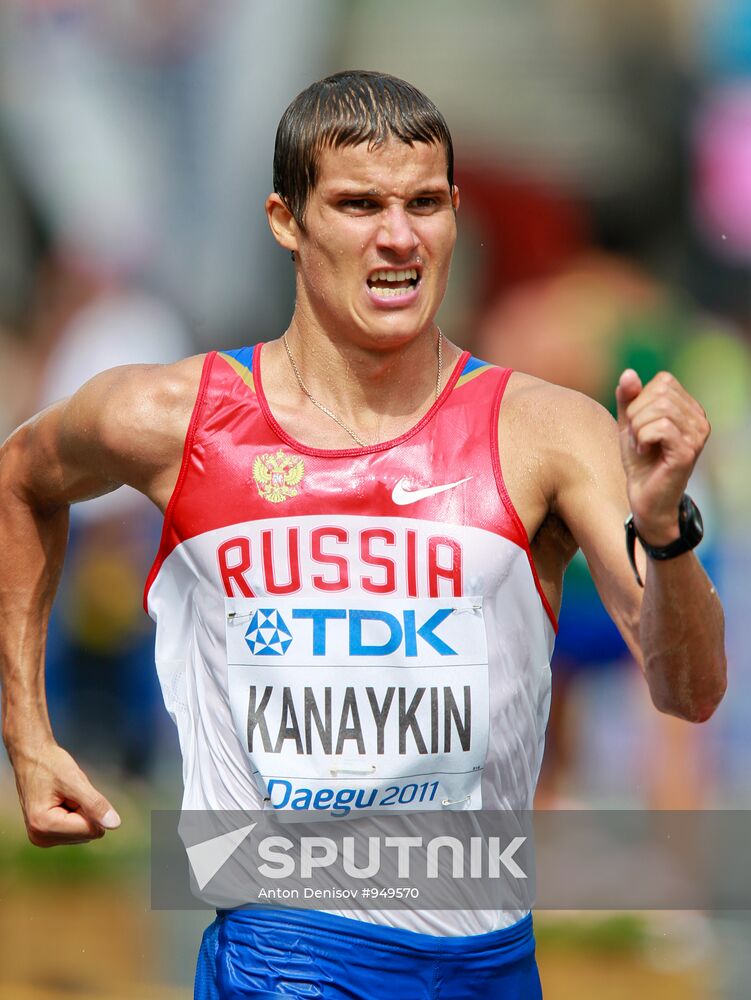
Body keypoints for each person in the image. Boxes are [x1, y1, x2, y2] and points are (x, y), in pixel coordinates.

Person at [0, 71, 726, 999]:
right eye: (357, 204)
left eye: (424, 203)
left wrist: (664, 530)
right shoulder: (173, 416)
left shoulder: (544, 431)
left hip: (488, 962)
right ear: (284, 220)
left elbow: (689, 691)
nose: (398, 236)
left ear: (456, 212)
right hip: (284, 953)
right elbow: (22, 478)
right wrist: (27, 729)